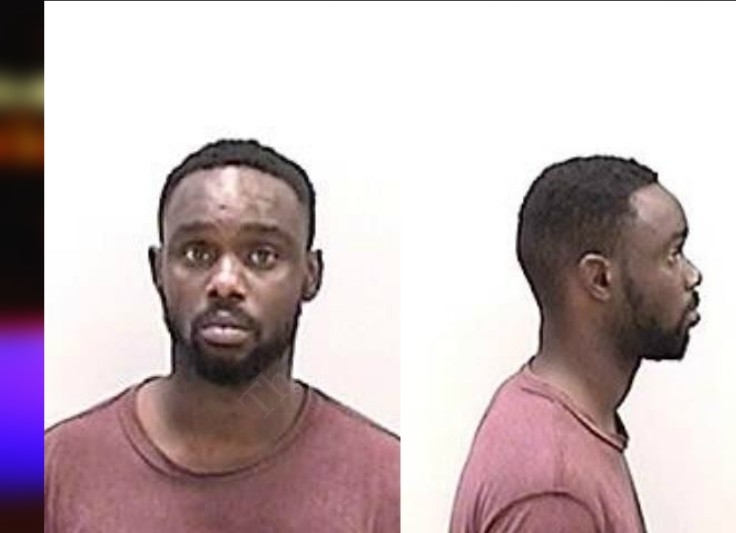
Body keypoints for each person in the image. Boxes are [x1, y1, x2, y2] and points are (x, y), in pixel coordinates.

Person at [45, 139, 399, 532]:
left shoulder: (386, 484)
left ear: (310, 275)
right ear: (158, 270)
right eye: (197, 253)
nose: (226, 283)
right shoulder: (53, 471)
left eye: (262, 256)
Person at [450, 156, 702, 532]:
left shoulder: (561, 424)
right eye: (672, 254)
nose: (692, 275)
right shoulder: (555, 489)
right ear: (599, 278)